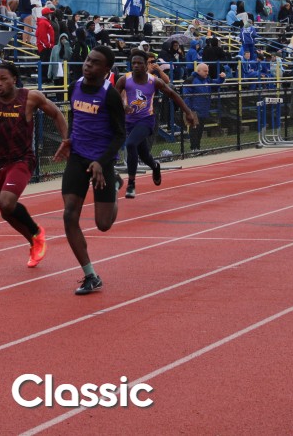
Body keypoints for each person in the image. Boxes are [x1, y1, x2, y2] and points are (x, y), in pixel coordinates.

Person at [0, 62, 68, 267]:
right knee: (5, 211)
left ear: (14, 79)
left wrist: (66, 140)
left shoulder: (30, 97)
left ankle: (36, 231)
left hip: (23, 159)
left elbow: (57, 114)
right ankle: (34, 240)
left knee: (7, 202)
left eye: (3, 79)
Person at [53, 46, 125, 294]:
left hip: (102, 162)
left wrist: (102, 162)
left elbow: (120, 135)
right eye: (87, 60)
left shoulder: (110, 95)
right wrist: (69, 139)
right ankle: (90, 275)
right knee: (69, 215)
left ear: (106, 69)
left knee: (103, 224)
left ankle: (114, 186)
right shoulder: (74, 86)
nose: (87, 65)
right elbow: (75, 116)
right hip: (77, 157)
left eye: (94, 63)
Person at [116, 49, 198, 199]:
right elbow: (115, 98)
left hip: (146, 121)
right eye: (133, 63)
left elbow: (172, 94)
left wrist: (188, 112)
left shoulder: (154, 81)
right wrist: (122, 105)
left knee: (130, 144)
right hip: (129, 122)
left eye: (139, 63)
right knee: (143, 154)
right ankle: (155, 166)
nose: (136, 66)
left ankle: (131, 183)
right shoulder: (124, 80)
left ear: (146, 65)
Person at [183, 63, 225, 151]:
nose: (207, 73)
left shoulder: (207, 79)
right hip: (193, 110)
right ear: (199, 71)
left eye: (207, 71)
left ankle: (198, 148)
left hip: (203, 110)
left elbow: (215, 84)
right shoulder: (190, 80)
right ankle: (193, 149)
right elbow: (186, 96)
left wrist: (221, 78)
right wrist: (188, 110)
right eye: (205, 71)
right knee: (194, 129)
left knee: (200, 130)